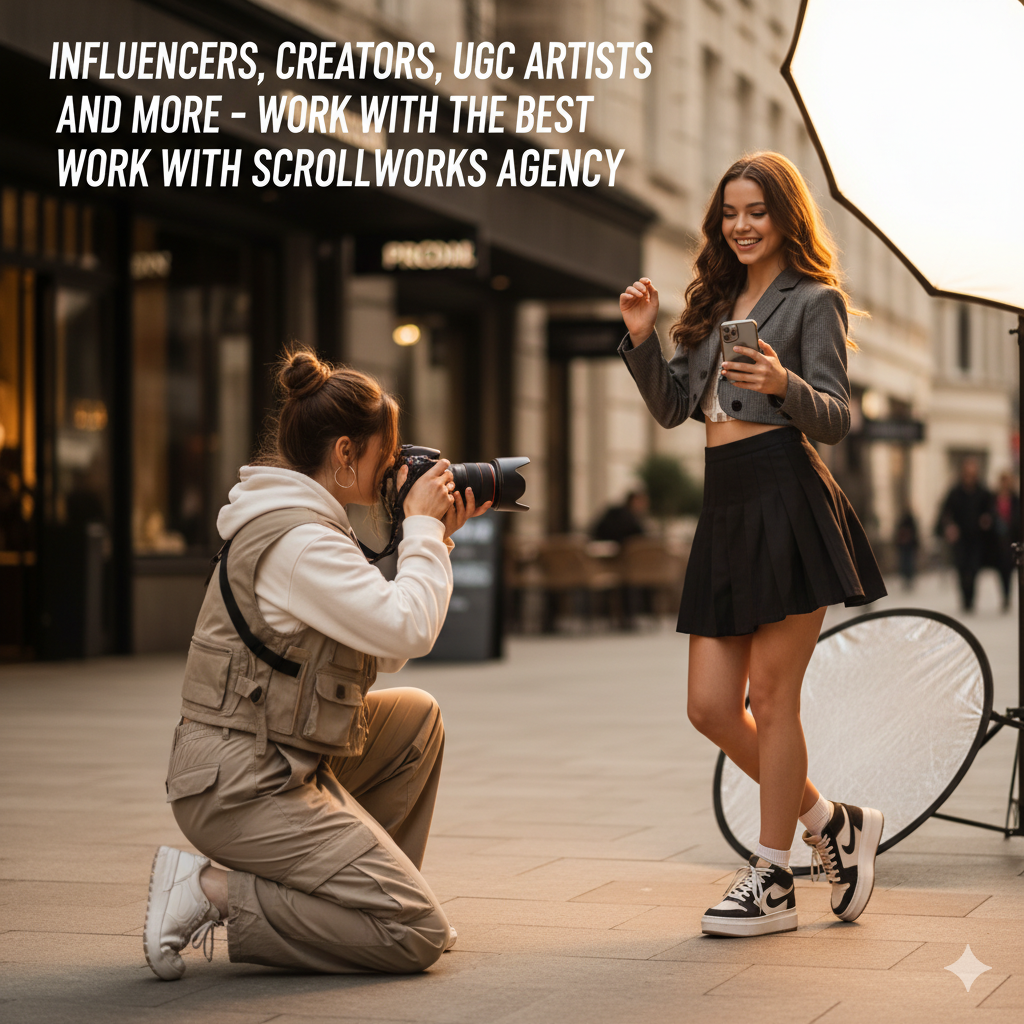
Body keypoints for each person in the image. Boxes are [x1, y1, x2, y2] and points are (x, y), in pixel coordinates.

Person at [143, 348, 490, 979]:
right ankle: (209, 891)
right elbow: (409, 629)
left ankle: (364, 904)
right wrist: (418, 529)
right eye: (387, 455)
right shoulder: (301, 542)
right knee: (415, 934)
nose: (394, 470)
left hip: (277, 754)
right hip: (237, 786)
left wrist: (433, 537)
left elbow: (388, 651)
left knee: (415, 718)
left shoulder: (311, 526)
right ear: (345, 453)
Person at [619, 152, 886, 937]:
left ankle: (773, 877)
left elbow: (836, 418)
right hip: (726, 505)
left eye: (756, 212)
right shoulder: (711, 302)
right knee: (709, 706)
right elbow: (675, 409)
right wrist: (641, 338)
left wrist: (782, 385)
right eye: (730, 213)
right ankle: (832, 822)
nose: (741, 225)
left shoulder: (815, 301)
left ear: (784, 217)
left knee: (771, 700)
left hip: (786, 495)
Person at [935, 458, 994, 613]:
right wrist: (949, 527)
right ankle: (965, 600)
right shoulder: (955, 492)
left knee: (973, 569)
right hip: (960, 538)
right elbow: (945, 513)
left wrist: (987, 519)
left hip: (977, 537)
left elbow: (991, 511)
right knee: (961, 568)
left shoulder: (983, 492)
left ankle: (971, 599)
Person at [992, 471, 1019, 612]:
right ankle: (1005, 596)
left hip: (1012, 538)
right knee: (1001, 570)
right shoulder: (994, 498)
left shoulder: (1015, 499)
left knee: (1009, 569)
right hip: (998, 541)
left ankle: (1008, 597)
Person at [894, 509, 920, 591]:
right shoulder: (906, 523)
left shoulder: (906, 523)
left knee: (908, 563)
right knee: (906, 563)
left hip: (908, 546)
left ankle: (908, 579)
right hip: (905, 546)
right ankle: (907, 579)